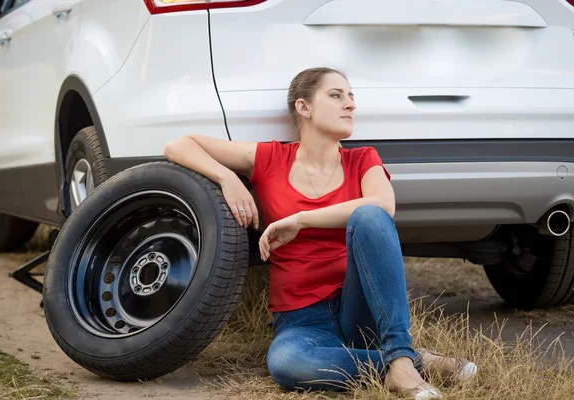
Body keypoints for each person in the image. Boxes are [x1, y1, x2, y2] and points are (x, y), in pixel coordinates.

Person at [163, 67, 478, 399]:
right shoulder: (271, 159)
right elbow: (179, 145)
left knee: (368, 215)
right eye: (336, 95)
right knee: (287, 362)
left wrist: (301, 220)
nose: (350, 105)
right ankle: (410, 365)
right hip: (301, 320)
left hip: (360, 308)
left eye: (351, 97)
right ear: (304, 107)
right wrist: (226, 178)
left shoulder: (362, 160)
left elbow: (383, 205)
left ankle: (399, 354)